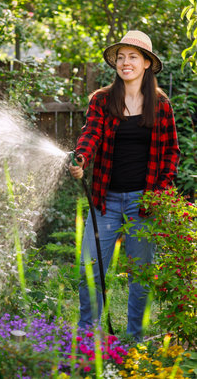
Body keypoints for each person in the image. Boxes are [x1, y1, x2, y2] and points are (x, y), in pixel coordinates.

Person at [69, 30, 180, 341]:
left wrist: (159, 193)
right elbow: (90, 135)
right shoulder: (102, 100)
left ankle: (134, 342)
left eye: (133, 56)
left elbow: (172, 152)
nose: (125, 62)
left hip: (143, 203)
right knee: (90, 273)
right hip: (105, 201)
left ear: (146, 63)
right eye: (121, 57)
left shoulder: (160, 104)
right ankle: (87, 343)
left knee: (141, 278)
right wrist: (81, 159)